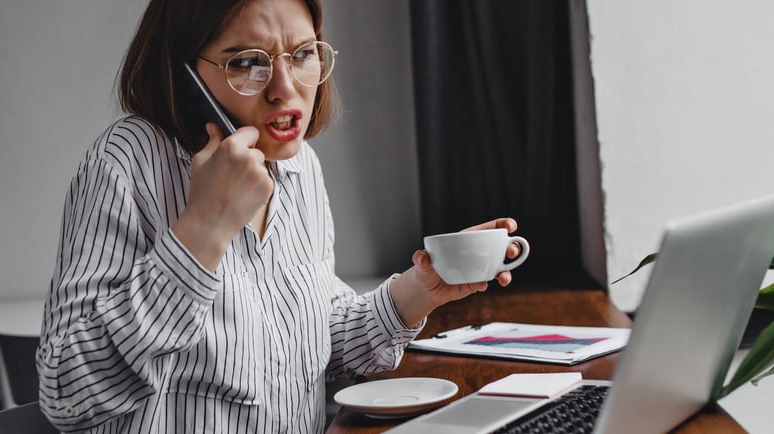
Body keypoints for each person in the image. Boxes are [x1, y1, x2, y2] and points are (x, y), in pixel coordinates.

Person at [36, 0, 521, 432]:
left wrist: (421, 288)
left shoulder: (300, 166)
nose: (285, 89)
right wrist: (202, 232)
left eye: (303, 54)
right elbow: (65, 394)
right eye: (247, 62)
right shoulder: (126, 163)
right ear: (184, 72)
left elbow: (316, 342)